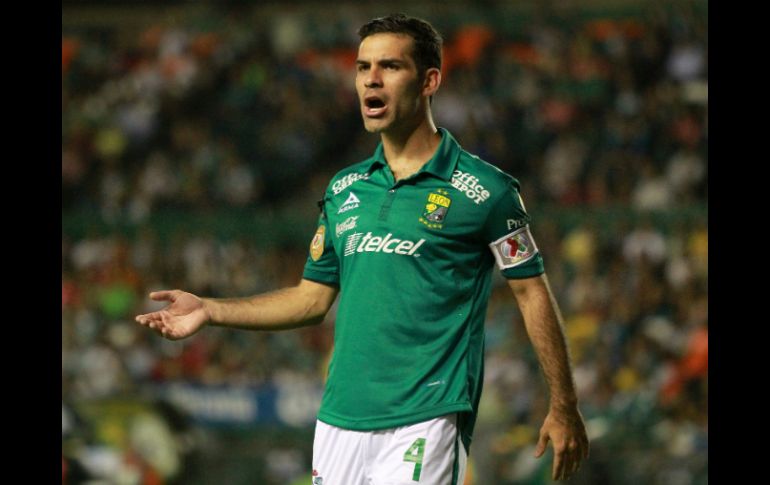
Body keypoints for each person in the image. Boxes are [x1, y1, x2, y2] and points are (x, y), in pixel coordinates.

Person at [136, 13, 589, 484]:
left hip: (428, 414)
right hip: (340, 420)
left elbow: (531, 293)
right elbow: (310, 300)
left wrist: (564, 404)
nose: (371, 79)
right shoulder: (344, 189)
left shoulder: (486, 191)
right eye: (362, 67)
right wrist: (209, 309)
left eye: (390, 66)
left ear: (430, 80)